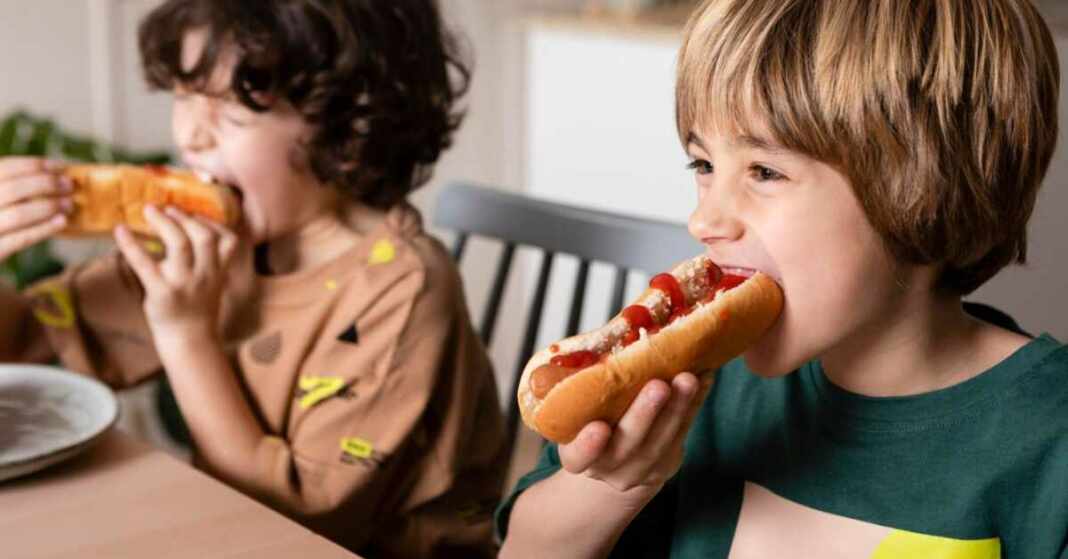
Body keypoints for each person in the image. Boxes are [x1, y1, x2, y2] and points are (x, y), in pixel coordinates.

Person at [497, 0, 1068, 556]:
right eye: (703, 165)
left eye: (765, 171)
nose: (704, 220)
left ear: (928, 190)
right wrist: (608, 487)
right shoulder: (695, 393)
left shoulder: (1050, 443)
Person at [0, 1, 506, 556]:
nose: (190, 135)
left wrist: (185, 333)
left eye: (233, 114)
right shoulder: (219, 242)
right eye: (185, 95)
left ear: (347, 126)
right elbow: (25, 343)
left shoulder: (403, 291)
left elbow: (294, 524)